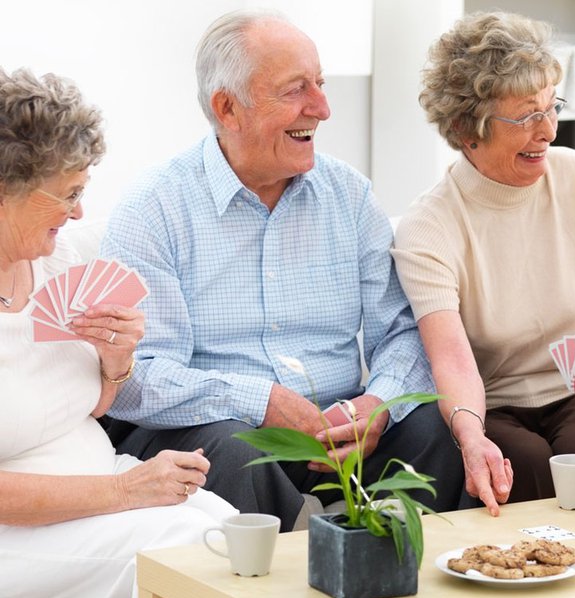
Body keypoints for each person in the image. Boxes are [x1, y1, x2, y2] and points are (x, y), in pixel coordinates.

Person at [100, 9, 463, 532]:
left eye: (320, 84)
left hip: (340, 432)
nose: (323, 108)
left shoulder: (350, 196)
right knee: (226, 446)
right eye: (297, 90)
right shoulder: (153, 209)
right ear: (228, 108)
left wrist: (378, 403)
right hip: (221, 430)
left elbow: (403, 330)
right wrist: (260, 402)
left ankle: (408, 578)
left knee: (436, 424)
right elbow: (136, 376)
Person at [0, 67, 236, 598]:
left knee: (229, 533)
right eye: (67, 193)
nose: (80, 210)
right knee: (188, 552)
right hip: (17, 533)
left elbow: (90, 405)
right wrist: (125, 491)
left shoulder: (62, 259)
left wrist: (115, 360)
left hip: (98, 483)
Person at [392, 11, 575, 515]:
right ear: (468, 129)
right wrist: (469, 434)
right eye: (526, 116)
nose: (547, 131)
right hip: (495, 405)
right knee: (522, 462)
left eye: (552, 108)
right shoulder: (429, 226)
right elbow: (452, 361)